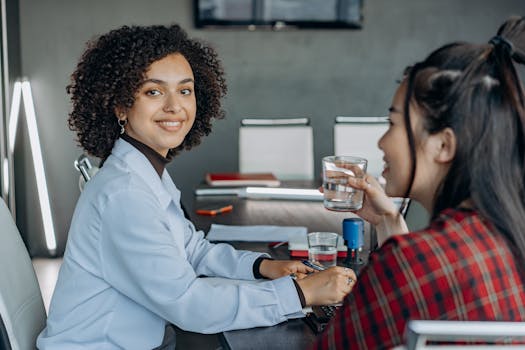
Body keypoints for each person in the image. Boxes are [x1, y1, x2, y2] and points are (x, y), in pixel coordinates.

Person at [36, 24, 356, 349]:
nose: (175, 106)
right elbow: (189, 304)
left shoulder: (145, 171)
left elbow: (192, 249)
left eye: (185, 90)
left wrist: (264, 266)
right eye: (154, 91)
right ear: (120, 106)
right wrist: (302, 293)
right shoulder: (125, 193)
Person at [314, 16, 525, 349]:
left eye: (393, 123)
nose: (383, 142)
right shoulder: (505, 235)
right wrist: (388, 219)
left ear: (443, 145)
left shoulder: (412, 261)